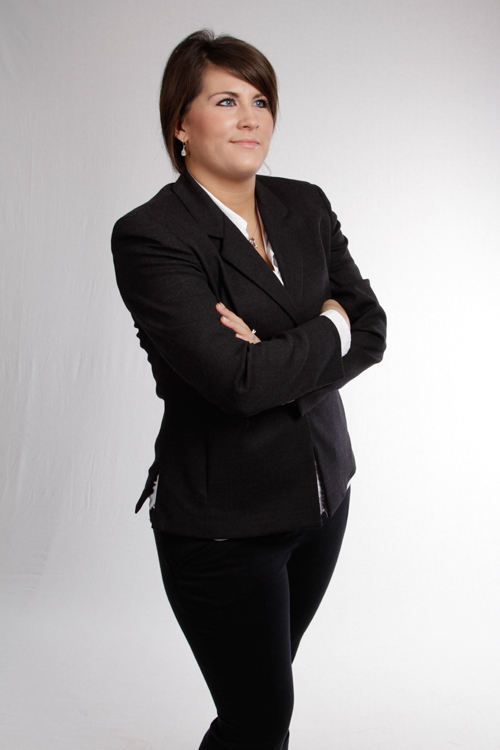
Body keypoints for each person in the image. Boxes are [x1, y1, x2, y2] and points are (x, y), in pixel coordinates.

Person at [112, 29, 386, 750]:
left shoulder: (304, 205)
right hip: (224, 526)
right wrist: (325, 326)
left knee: (258, 706)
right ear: (181, 122)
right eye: (226, 100)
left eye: (261, 101)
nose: (250, 118)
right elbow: (235, 383)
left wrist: (279, 350)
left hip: (323, 498)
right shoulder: (152, 235)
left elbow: (372, 329)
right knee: (260, 720)